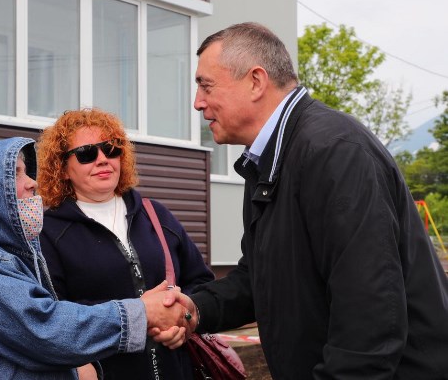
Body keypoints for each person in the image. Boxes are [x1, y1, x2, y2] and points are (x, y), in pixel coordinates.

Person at [166, 22, 448, 379]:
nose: (198, 103)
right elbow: (259, 280)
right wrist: (195, 309)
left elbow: (369, 318)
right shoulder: (269, 160)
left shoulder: (335, 152)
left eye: (206, 86)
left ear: (256, 82)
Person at [0, 137, 189, 379]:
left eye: (111, 149)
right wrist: (141, 312)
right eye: (14, 173)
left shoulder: (6, 252)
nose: (32, 182)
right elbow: (43, 329)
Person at [35, 108, 215, 380]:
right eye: (86, 153)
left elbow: (200, 282)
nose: (102, 159)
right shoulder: (48, 233)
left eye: (111, 149)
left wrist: (183, 319)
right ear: (62, 169)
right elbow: (53, 315)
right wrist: (138, 314)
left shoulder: (156, 215)